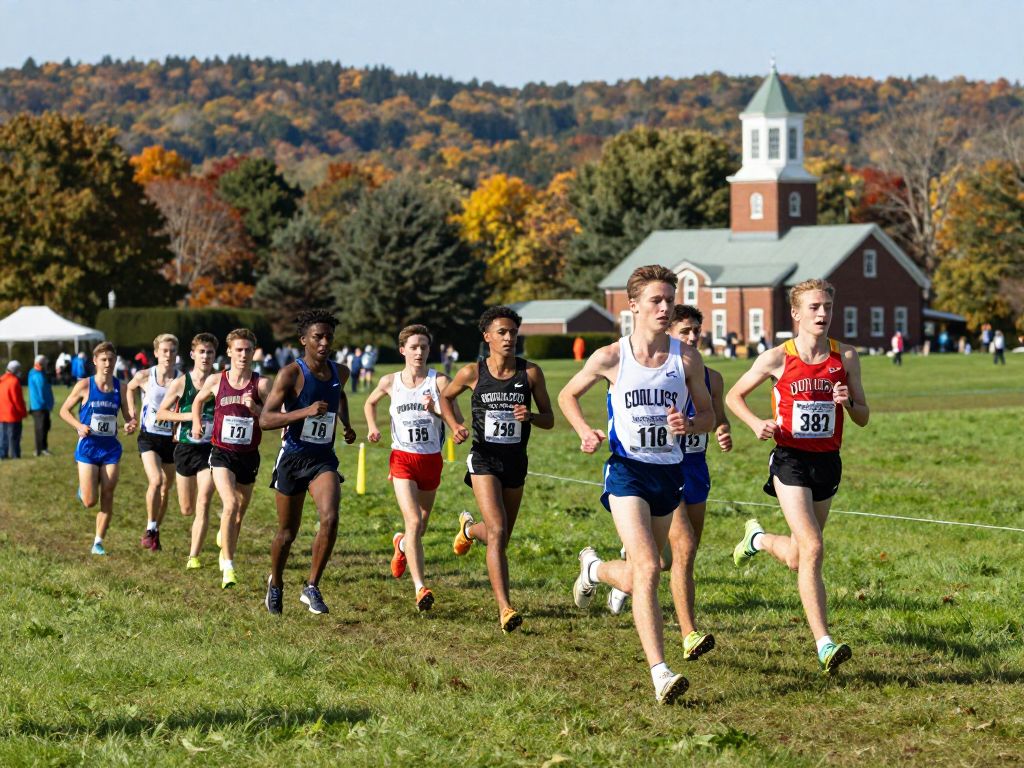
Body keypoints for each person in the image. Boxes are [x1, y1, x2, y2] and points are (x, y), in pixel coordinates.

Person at [558, 265, 713, 705]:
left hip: (669, 473)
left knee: (645, 573)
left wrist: (691, 422)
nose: (665, 308)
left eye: (669, 300)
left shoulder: (686, 358)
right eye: (656, 301)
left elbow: (708, 414)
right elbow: (568, 395)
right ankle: (661, 673)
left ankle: (594, 569)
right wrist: (585, 431)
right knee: (647, 566)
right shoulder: (611, 357)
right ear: (634, 307)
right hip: (626, 472)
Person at [726, 278, 869, 675]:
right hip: (790, 459)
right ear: (796, 313)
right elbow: (733, 396)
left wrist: (849, 401)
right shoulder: (776, 358)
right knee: (813, 545)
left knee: (796, 556)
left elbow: (863, 417)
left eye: (827, 307)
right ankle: (825, 643)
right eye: (814, 307)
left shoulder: (847, 357)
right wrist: (756, 423)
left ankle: (757, 539)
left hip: (828, 462)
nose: (822, 314)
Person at [606, 305, 732, 661]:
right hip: (659, 466)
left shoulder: (713, 377)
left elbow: (717, 419)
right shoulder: (651, 370)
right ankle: (689, 632)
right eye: (685, 332)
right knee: (685, 546)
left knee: (670, 562)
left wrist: (722, 431)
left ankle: (611, 572)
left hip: (696, 471)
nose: (692, 338)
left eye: (696, 331)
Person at [440, 306, 554, 634]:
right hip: (483, 459)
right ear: (487, 336)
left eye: (513, 333)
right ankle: (505, 608)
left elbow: (549, 419)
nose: (508, 338)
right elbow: (444, 399)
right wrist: (455, 425)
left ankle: (467, 530)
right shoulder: (471, 373)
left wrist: (530, 416)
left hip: (516, 462)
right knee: (499, 529)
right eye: (502, 332)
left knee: (499, 537)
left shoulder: (530, 373)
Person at [261, 310, 356, 615]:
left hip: (322, 459)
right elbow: (265, 419)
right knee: (287, 534)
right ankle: (276, 583)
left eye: (329, 336)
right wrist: (304, 412)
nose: (325, 342)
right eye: (318, 337)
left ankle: (312, 586)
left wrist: (346, 423)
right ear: (304, 340)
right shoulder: (291, 374)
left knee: (330, 516)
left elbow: (339, 397)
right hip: (292, 457)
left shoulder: (341, 372)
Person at [365, 324, 459, 612]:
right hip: (403, 459)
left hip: (431, 460)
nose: (419, 352)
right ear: (403, 350)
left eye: (424, 347)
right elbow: (369, 403)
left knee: (421, 525)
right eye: (414, 346)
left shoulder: (440, 381)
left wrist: (436, 410)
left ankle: (402, 545)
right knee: (414, 523)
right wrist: (372, 427)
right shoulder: (390, 381)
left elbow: (457, 417)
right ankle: (420, 588)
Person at [191, 328, 272, 589]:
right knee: (230, 505)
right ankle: (229, 566)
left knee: (238, 515)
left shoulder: (262, 384)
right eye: (239, 349)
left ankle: (224, 544)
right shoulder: (216, 381)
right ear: (229, 351)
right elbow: (198, 402)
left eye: (248, 350)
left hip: (248, 455)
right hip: (221, 452)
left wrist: (256, 408)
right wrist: (195, 422)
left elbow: (274, 418)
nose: (244, 354)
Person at [58, 342, 138, 554]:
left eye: (111, 360)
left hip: (110, 449)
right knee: (90, 501)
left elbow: (128, 416)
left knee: (109, 493)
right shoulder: (85, 385)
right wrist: (78, 426)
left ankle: (98, 542)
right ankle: (84, 490)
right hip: (88, 447)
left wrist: (130, 424)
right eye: (103, 360)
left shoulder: (120, 387)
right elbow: (64, 411)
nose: (107, 364)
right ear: (95, 361)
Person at [155, 333, 219, 570]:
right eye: (201, 352)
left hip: (210, 450)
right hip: (184, 449)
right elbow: (162, 413)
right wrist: (191, 417)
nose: (205, 356)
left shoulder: (220, 381)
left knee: (203, 501)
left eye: (210, 352)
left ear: (214, 356)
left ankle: (193, 556)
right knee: (186, 508)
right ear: (193, 355)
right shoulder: (181, 383)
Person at [126, 334, 181, 552]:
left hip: (172, 439)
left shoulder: (181, 379)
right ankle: (149, 529)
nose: (168, 355)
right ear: (156, 352)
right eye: (164, 351)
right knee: (156, 481)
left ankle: (156, 529)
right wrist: (131, 414)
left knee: (165, 489)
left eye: (172, 351)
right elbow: (129, 388)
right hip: (149, 437)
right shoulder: (144, 376)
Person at [0, 360, 27, 459]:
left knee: (3, 437)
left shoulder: (1, 380)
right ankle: (15, 455)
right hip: (13, 415)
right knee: (14, 437)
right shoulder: (14, 381)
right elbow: (17, 400)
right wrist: (23, 412)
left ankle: (3, 454)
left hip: (2, 414)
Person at [28, 355, 54, 457]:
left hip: (43, 406)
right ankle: (39, 450)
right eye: (44, 363)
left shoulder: (40, 373)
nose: (46, 365)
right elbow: (41, 392)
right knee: (40, 428)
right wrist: (48, 403)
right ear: (40, 363)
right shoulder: (36, 375)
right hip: (39, 406)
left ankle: (44, 447)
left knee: (45, 427)